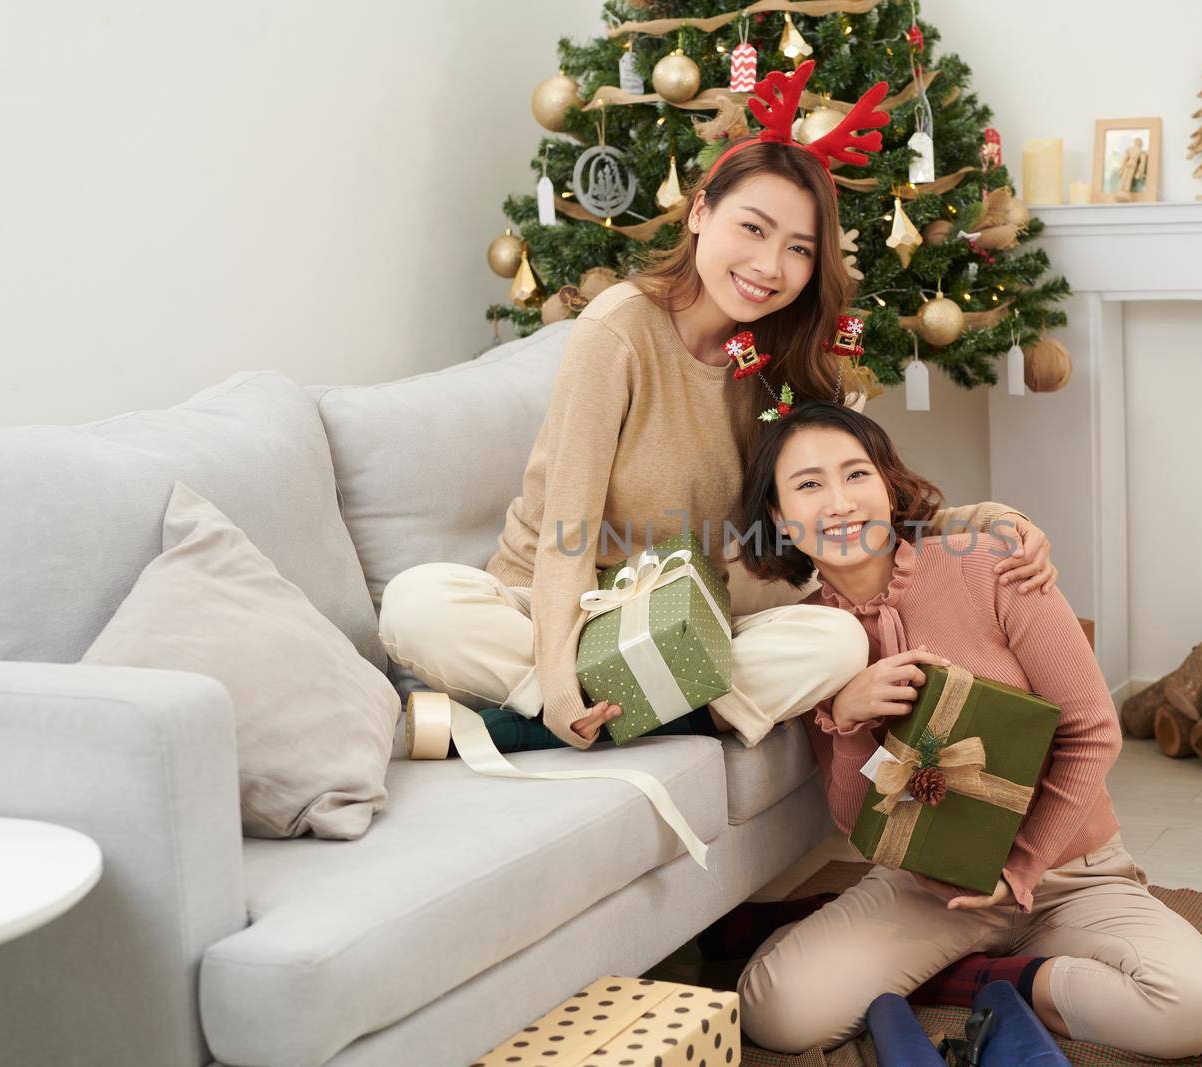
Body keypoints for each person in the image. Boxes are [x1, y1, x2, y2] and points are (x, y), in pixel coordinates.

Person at [377, 61, 1058, 751]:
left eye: (797, 249)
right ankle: (612, 705)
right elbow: (565, 530)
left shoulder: (786, 359)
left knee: (836, 641)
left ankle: (523, 728)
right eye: (753, 229)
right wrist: (555, 675)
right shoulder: (620, 327)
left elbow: (854, 496)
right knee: (417, 605)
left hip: (689, 621)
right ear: (701, 211)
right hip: (556, 604)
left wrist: (985, 520)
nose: (770, 266)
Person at [730, 401, 1202, 1059]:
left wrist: (1023, 866)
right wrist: (848, 716)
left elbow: (1091, 731)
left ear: (887, 484)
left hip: (1068, 874)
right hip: (925, 891)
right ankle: (949, 962)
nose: (840, 501)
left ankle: (1011, 979)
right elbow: (861, 818)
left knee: (1198, 1010)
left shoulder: (991, 565)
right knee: (775, 1011)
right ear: (777, 518)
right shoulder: (809, 639)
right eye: (808, 485)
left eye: (856, 474)